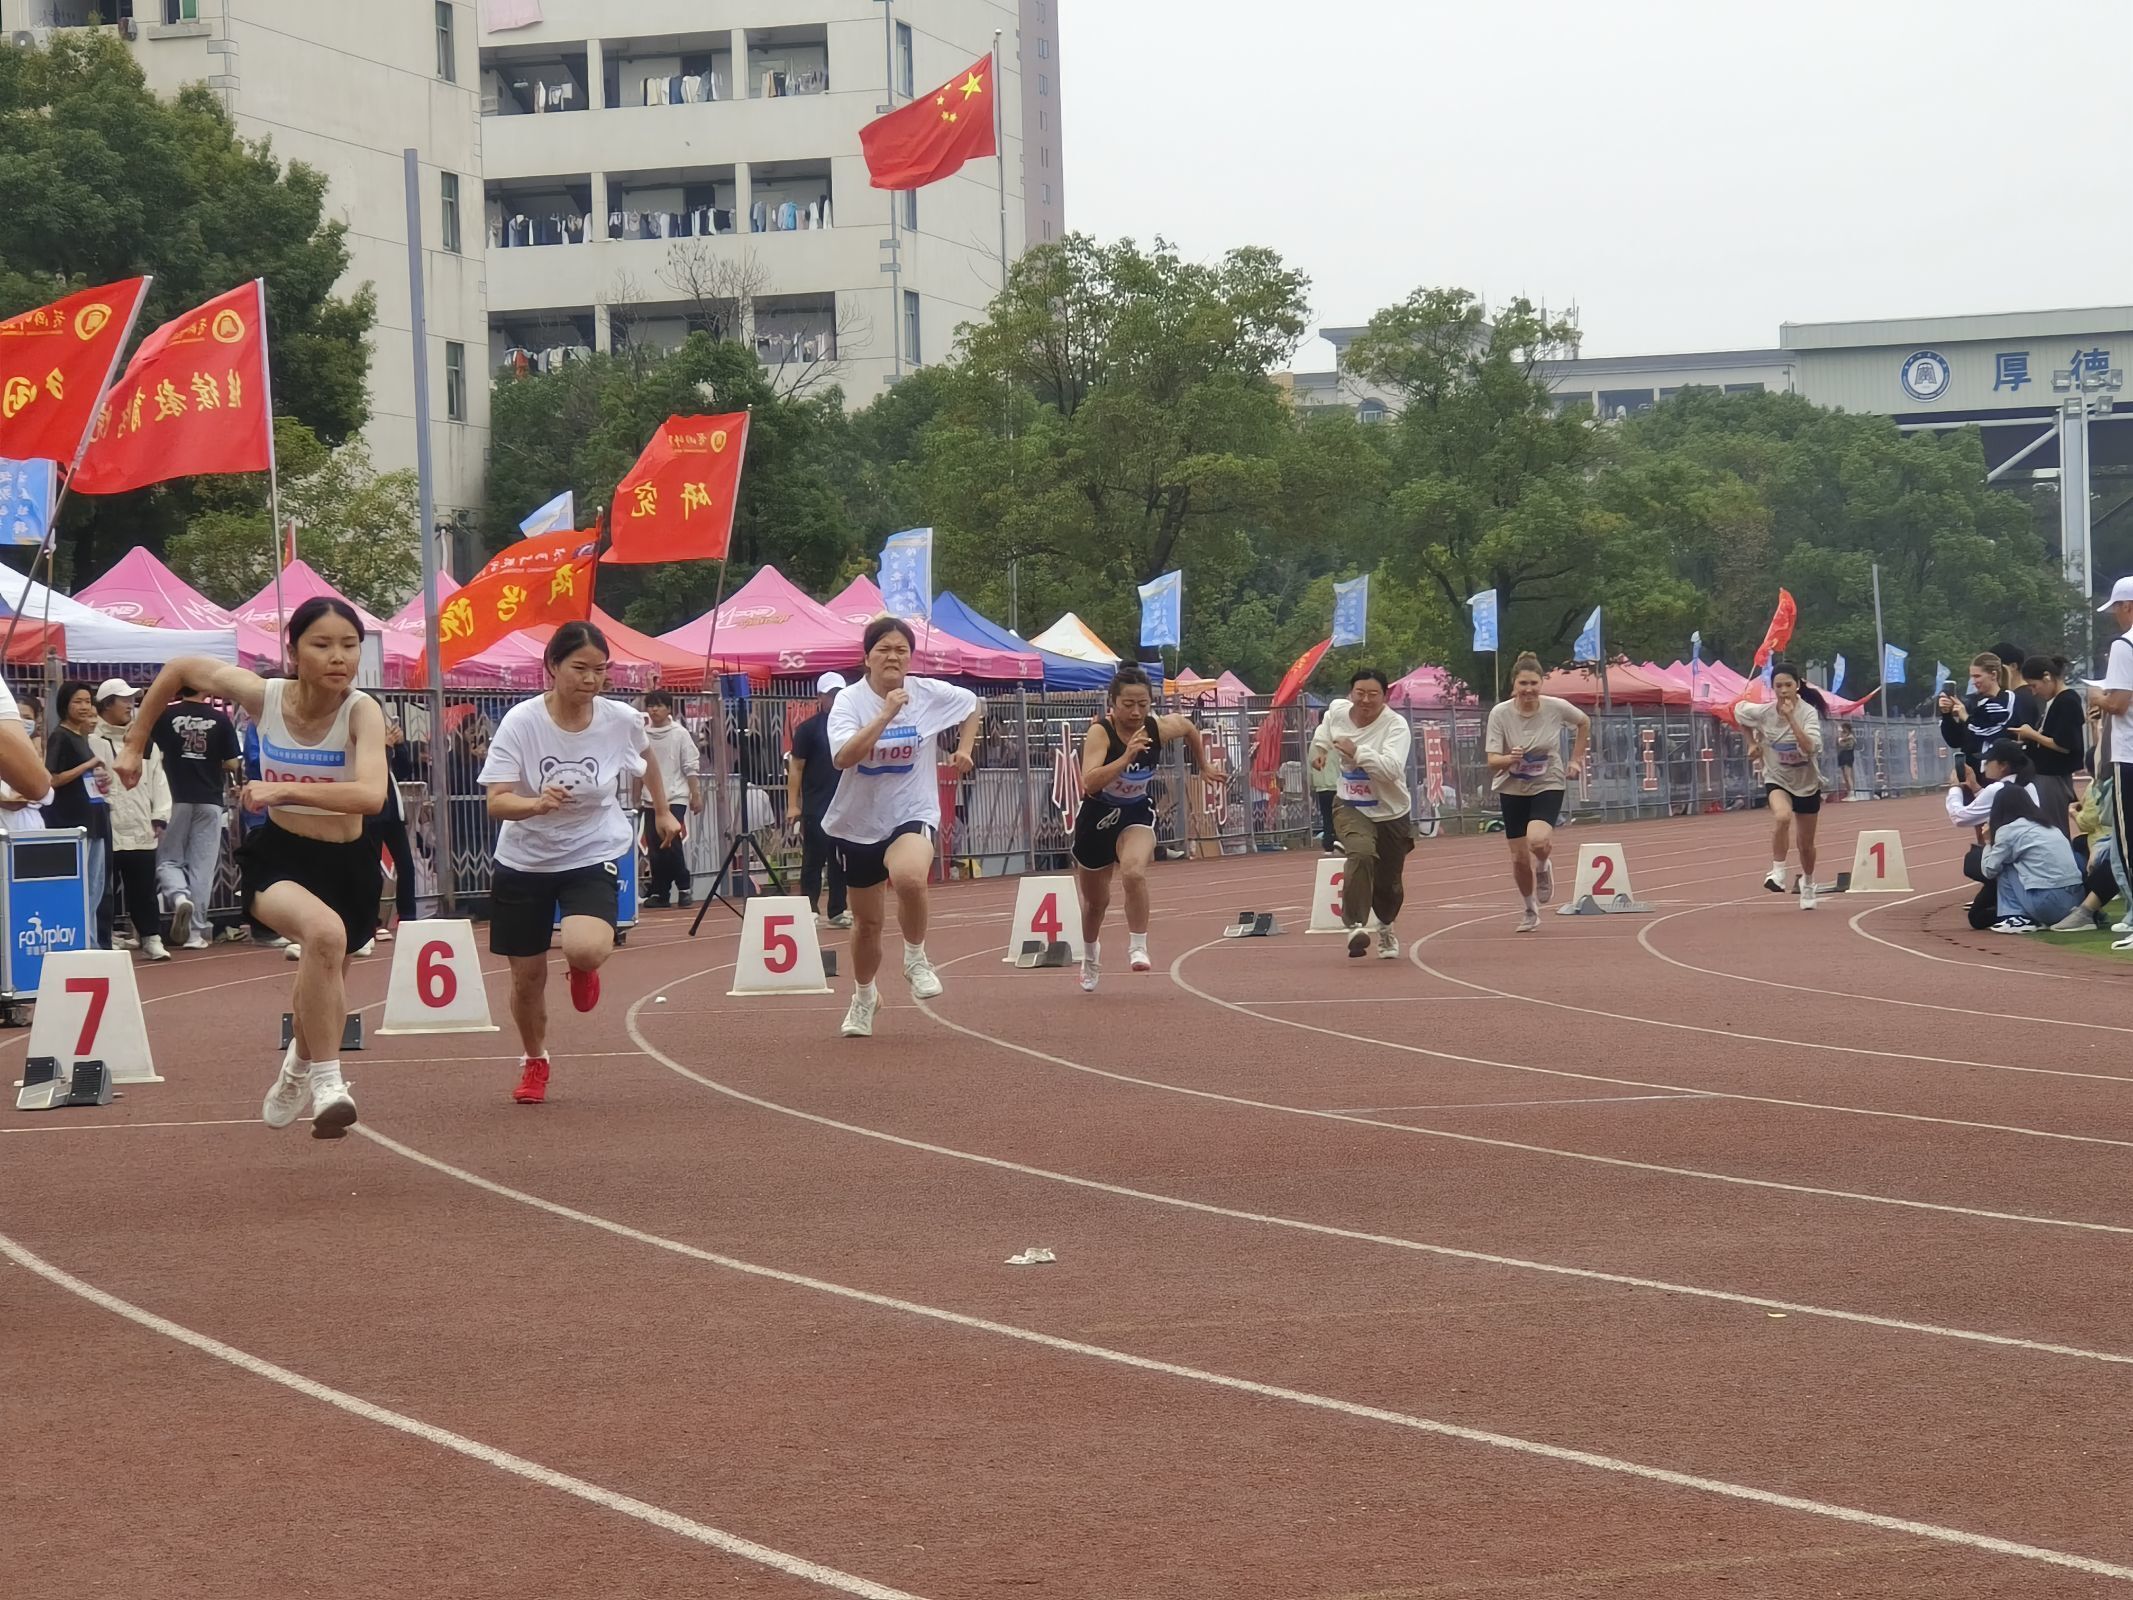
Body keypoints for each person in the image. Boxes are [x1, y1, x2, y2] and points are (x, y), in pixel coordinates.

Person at [117, 599, 390, 1138]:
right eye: (322, 645)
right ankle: (329, 1085)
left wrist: (281, 790)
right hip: (282, 856)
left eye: (349, 645)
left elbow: (371, 795)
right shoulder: (265, 697)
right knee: (324, 935)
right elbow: (180, 668)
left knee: (326, 970)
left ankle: (297, 1067)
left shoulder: (362, 711)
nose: (338, 657)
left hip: (349, 862)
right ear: (293, 652)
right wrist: (134, 742)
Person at [481, 621, 679, 1106]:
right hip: (524, 860)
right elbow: (496, 801)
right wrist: (534, 804)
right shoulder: (522, 723)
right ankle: (535, 1060)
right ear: (552, 666)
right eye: (580, 668)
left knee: (586, 948)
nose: (591, 680)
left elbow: (647, 758)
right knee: (527, 978)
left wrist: (662, 810)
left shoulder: (619, 719)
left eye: (600, 670)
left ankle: (583, 965)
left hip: (591, 849)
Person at [825, 618, 981, 1038]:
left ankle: (915, 958)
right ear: (867, 658)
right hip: (859, 822)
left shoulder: (927, 693)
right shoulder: (849, 701)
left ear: (910, 658)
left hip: (913, 810)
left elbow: (972, 704)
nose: (893, 657)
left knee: (910, 877)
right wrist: (886, 714)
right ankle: (864, 996)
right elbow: (844, 757)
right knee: (867, 925)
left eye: (901, 650)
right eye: (884, 650)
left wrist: (965, 748)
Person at [1071, 664, 1207, 991]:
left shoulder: (1156, 728)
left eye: (1143, 704)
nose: (1135, 712)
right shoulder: (1100, 733)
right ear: (1113, 703)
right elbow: (1089, 783)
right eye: (1128, 704)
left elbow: (1188, 727)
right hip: (1097, 816)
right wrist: (1126, 757)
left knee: (1133, 872)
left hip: (1135, 812)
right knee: (1096, 903)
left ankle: (1138, 946)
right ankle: (1090, 956)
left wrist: (1203, 765)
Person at [1310, 667, 1415, 959]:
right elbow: (1325, 726)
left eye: (1373, 694)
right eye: (1360, 693)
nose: (1366, 700)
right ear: (1351, 693)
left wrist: (1357, 752)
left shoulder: (1396, 726)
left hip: (1391, 810)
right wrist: (1321, 749)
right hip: (1351, 804)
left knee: (1389, 883)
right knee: (1361, 853)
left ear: (1385, 696)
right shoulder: (1339, 711)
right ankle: (1355, 925)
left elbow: (1391, 770)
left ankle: (1386, 926)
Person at [1484, 652, 1591, 932]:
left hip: (1548, 782)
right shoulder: (1500, 714)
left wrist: (1575, 760)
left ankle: (1543, 865)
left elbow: (1584, 722)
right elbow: (1492, 761)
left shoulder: (1556, 708)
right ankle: (1530, 909)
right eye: (1523, 683)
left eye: (1534, 683)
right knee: (1519, 858)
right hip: (1512, 786)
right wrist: (1509, 758)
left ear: (1541, 683)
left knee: (1537, 840)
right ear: (1514, 685)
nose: (1529, 689)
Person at [150, 681, 242, 949]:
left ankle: (179, 897)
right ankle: (195, 932)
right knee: (202, 866)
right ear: (205, 688)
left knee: (168, 860)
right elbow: (232, 762)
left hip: (174, 797)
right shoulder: (220, 719)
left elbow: (153, 753)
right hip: (210, 798)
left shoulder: (165, 716)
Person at [88, 680, 172, 962]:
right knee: (104, 887)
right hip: (107, 824)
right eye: (123, 700)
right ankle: (105, 936)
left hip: (140, 823)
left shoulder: (144, 742)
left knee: (144, 887)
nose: (130, 705)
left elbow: (159, 779)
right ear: (106, 704)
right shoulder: (91, 740)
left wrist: (160, 816)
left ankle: (151, 937)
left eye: (132, 700)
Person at [1735, 664, 1828, 908]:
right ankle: (1777, 871)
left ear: (1797, 685)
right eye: (1778, 686)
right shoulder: (1765, 712)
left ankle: (1808, 883)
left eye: (1788, 685)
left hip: (1806, 783)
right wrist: (1751, 743)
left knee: (1805, 845)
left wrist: (1790, 718)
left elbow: (1810, 748)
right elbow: (1738, 712)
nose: (1784, 690)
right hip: (1777, 777)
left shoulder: (1808, 713)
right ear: (1772, 688)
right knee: (1782, 816)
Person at [46, 680, 113, 948]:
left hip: (94, 819)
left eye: (87, 701)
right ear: (65, 705)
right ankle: (83, 943)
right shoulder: (60, 736)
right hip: (73, 822)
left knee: (95, 888)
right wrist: (88, 764)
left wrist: (100, 777)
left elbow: (84, 779)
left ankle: (91, 943)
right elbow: (52, 778)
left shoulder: (81, 737)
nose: (84, 707)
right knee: (81, 887)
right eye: (78, 701)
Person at [785, 671, 850, 927]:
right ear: (820, 697)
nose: (835, 699)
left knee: (840, 860)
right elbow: (796, 768)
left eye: (839, 694)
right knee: (813, 858)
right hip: (817, 804)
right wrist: (793, 805)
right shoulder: (808, 729)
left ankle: (838, 909)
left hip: (845, 804)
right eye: (830, 694)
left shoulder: (853, 726)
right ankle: (809, 907)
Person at [1979, 781, 2084, 933]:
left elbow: (1989, 870)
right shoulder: (2050, 827)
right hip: (2076, 901)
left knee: (2006, 865)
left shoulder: (2008, 830)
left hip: (2048, 905)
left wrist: (1988, 842)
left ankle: (2017, 917)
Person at [639, 689, 703, 909]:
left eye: (659, 705)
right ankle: (661, 892)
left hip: (676, 796)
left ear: (669, 709)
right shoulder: (643, 735)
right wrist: (637, 796)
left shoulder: (680, 734)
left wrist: (696, 795)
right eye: (650, 706)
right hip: (650, 799)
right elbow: (639, 768)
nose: (654, 710)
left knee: (671, 842)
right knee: (655, 848)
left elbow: (690, 766)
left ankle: (684, 887)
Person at [2012, 654, 2084, 834]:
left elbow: (2065, 745)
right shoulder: (2056, 700)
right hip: (2046, 774)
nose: (2034, 692)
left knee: (2054, 828)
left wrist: (2032, 734)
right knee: (2048, 826)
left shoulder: (2067, 701)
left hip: (2053, 776)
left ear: (2047, 677)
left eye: (2034, 685)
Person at [364, 715, 418, 946]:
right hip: (371, 814)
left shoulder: (384, 742)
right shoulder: (362, 742)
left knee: (406, 865)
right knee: (371, 869)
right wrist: (386, 747)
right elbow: (376, 769)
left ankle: (408, 918)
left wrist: (400, 746)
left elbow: (403, 771)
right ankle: (369, 923)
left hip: (393, 813)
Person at [1938, 652, 2030, 786]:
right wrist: (1946, 715)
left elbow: (1993, 732)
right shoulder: (1972, 702)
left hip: (1998, 776)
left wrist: (1966, 718)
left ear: (1993, 675)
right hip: (1972, 776)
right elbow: (1955, 741)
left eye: (1977, 676)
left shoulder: (2008, 699)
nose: (1974, 681)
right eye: (1972, 676)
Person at [1307, 719, 1341, 854]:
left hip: (1322, 786)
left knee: (1327, 816)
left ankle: (1328, 844)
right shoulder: (1338, 737)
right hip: (1338, 784)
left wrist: (1312, 783)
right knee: (1341, 816)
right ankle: (1339, 842)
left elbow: (1311, 761)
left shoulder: (1316, 741)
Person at [1835, 720, 1856, 801]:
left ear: (1848, 731)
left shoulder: (1850, 739)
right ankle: (1849, 793)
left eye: (1844, 731)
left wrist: (1841, 740)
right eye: (1842, 731)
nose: (1842, 733)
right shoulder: (1842, 738)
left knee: (1848, 775)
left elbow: (1843, 745)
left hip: (1848, 757)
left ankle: (1852, 794)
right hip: (1842, 757)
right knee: (1845, 776)